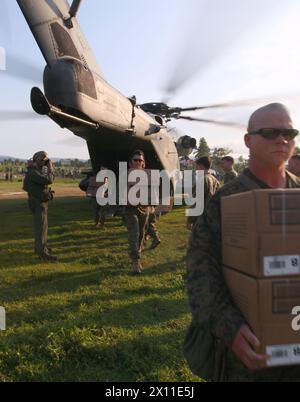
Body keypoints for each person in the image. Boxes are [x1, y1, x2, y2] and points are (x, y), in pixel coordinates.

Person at [186, 103, 300, 382]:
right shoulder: (227, 201)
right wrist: (229, 326)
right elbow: (200, 270)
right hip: (248, 354)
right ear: (248, 141)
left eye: (289, 132)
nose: (282, 140)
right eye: (270, 132)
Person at [23, 151, 57, 262]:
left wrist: (46, 165)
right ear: (38, 160)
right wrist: (50, 166)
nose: (45, 162)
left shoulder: (35, 170)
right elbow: (49, 179)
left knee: (42, 227)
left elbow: (44, 179)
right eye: (43, 160)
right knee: (41, 228)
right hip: (37, 202)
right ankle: (42, 253)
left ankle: (40, 248)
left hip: (40, 201)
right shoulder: (33, 172)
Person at [124, 150, 150, 274]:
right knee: (134, 234)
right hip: (130, 209)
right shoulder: (125, 176)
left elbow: (155, 193)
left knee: (141, 235)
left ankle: (137, 257)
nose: (138, 162)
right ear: (130, 163)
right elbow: (117, 193)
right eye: (136, 160)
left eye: (141, 160)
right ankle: (135, 261)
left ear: (144, 163)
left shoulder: (149, 176)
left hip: (145, 209)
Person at [187, 156, 220, 231]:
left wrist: (190, 219)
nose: (196, 169)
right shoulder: (215, 180)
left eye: (197, 166)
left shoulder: (202, 180)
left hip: (201, 217)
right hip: (212, 216)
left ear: (201, 166)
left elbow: (197, 201)